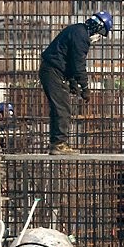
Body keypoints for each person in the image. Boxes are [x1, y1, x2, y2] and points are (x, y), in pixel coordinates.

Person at [39, 10, 112, 155]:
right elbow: (78, 64)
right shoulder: (82, 37)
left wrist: (72, 82)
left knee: (59, 108)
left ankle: (57, 142)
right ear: (98, 27)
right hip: (53, 72)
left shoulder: (78, 30)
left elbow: (69, 61)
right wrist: (85, 87)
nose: (99, 37)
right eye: (101, 32)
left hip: (52, 71)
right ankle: (58, 144)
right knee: (63, 108)